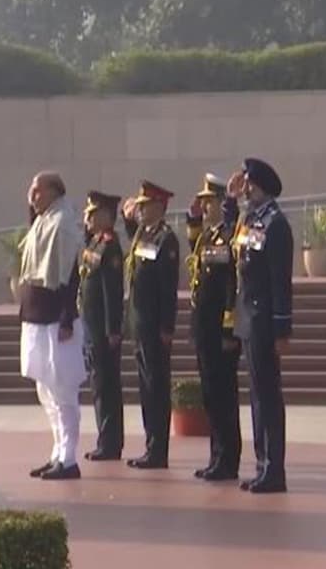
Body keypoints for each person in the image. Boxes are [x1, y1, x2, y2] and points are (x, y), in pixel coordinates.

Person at [18, 171, 87, 481]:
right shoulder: (43, 220)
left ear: (53, 191)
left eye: (36, 190)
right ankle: (57, 451)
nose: (31, 195)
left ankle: (69, 458)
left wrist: (66, 315)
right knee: (45, 389)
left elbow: (71, 273)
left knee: (63, 390)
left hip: (56, 319)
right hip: (35, 316)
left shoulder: (63, 222)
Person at [229, 158, 293, 494]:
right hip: (249, 319)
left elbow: (280, 281)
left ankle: (274, 469)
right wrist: (230, 201)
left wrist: (282, 329)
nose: (245, 188)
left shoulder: (275, 224)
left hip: (266, 320)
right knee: (256, 396)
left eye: (249, 183)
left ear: (261, 186)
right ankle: (261, 464)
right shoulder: (251, 219)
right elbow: (231, 244)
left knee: (268, 396)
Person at [185, 174, 242, 481]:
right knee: (210, 394)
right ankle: (216, 455)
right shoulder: (209, 236)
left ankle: (228, 459)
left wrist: (229, 329)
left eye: (209, 202)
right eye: (203, 203)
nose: (205, 208)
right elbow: (195, 244)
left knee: (223, 395)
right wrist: (192, 218)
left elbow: (232, 284)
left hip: (221, 330)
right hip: (204, 327)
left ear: (222, 203)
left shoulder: (231, 234)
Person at [120, 180, 180, 470]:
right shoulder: (144, 235)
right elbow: (133, 240)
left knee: (157, 387)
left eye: (145, 207)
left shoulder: (166, 239)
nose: (140, 212)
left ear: (159, 207)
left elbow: (167, 289)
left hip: (156, 325)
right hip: (140, 323)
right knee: (146, 387)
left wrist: (167, 327)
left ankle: (159, 450)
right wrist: (126, 215)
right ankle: (150, 445)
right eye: (139, 207)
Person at [79, 190, 125, 461]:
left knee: (107, 386)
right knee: (98, 385)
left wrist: (112, 330)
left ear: (106, 216)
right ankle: (104, 438)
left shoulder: (110, 246)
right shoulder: (95, 243)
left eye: (92, 213)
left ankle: (110, 443)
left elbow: (112, 291)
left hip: (103, 330)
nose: (87, 218)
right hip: (91, 326)